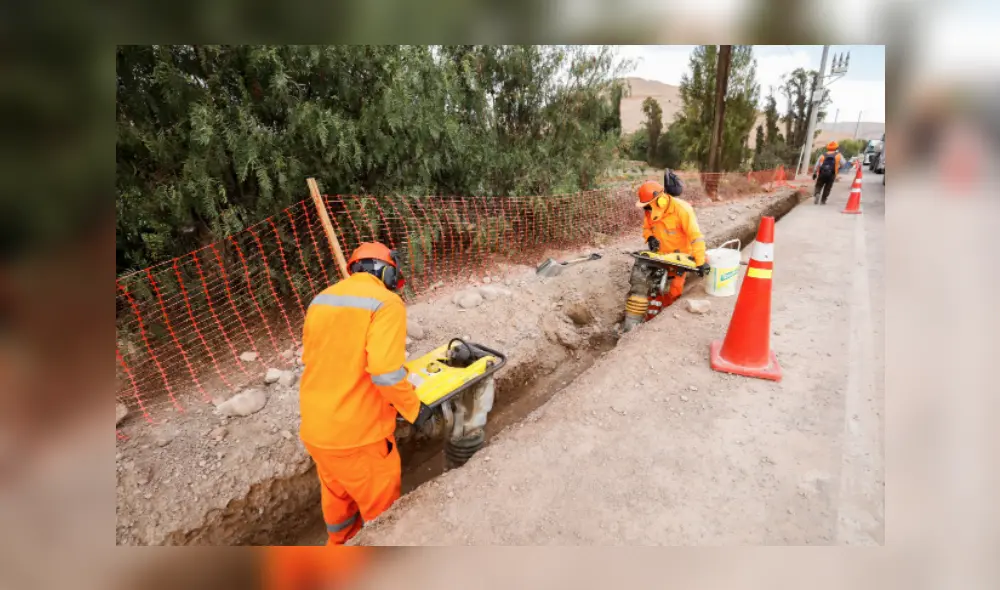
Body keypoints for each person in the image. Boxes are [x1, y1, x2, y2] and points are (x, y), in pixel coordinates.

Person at [298, 241, 433, 545]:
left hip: (317, 430)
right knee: (383, 522)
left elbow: (324, 358)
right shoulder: (386, 302)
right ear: (387, 272)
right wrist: (415, 409)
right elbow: (385, 372)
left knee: (339, 506)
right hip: (359, 436)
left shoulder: (321, 299)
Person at [623, 181, 709, 330]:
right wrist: (650, 237)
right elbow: (646, 227)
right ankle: (647, 320)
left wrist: (700, 262)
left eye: (648, 206)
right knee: (651, 290)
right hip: (660, 257)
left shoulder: (682, 210)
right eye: (645, 207)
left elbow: (696, 237)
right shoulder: (650, 210)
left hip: (679, 258)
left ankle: (664, 320)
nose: (646, 209)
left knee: (673, 292)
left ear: (660, 201)